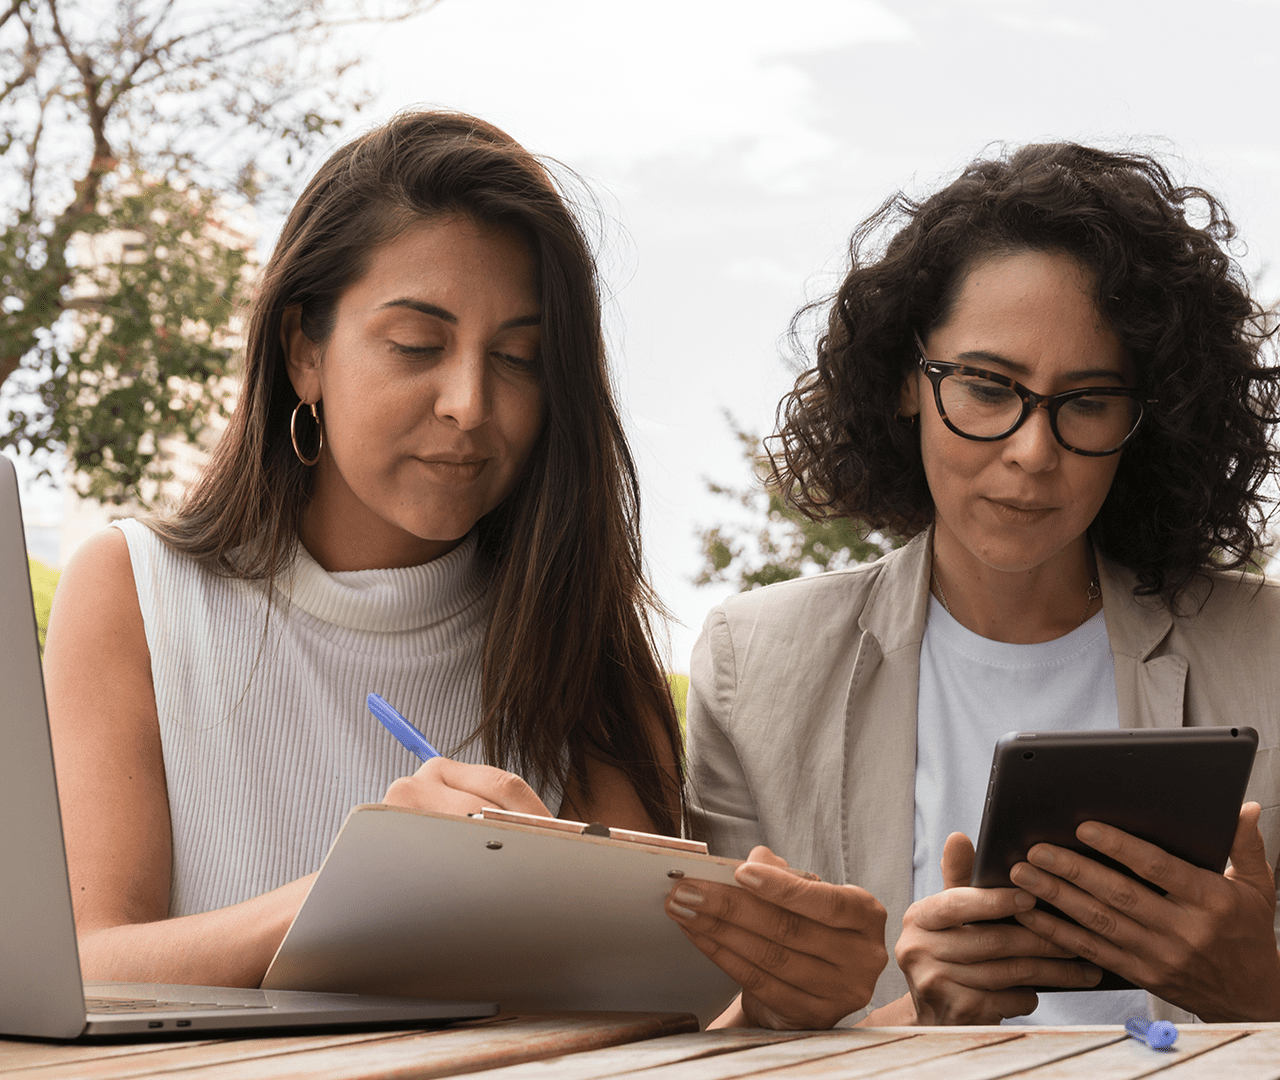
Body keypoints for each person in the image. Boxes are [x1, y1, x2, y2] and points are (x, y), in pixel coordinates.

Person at [42, 110, 887, 1028]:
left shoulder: (579, 634)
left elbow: (653, 1024)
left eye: (520, 358)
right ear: (303, 349)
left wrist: (781, 998)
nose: (470, 403)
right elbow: (79, 967)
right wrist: (355, 890)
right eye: (416, 344)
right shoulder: (135, 589)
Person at [678, 142, 1280, 1027]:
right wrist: (913, 1025)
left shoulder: (1268, 650)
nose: (1033, 452)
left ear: (1146, 417)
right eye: (990, 387)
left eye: (1087, 401)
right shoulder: (754, 665)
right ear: (904, 383)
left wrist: (1259, 995)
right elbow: (709, 1035)